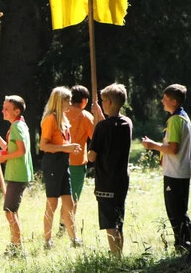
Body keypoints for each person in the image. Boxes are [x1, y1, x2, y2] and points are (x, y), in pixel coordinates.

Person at [141, 84, 191, 252]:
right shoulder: (182, 117)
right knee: (179, 211)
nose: (162, 101)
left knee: (175, 212)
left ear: (174, 101)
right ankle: (188, 243)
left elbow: (172, 148)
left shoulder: (175, 120)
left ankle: (183, 246)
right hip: (180, 171)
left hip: (175, 173)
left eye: (165, 98)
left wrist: (152, 145)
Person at [88, 83, 133, 258]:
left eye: (103, 101)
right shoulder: (127, 123)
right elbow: (110, 127)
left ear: (108, 102)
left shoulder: (102, 127)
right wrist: (99, 115)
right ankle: (119, 254)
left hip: (105, 180)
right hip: (121, 179)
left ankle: (115, 258)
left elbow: (92, 156)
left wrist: (89, 150)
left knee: (109, 222)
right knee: (118, 218)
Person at [0, 95, 33, 256]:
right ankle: (15, 245)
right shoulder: (19, 125)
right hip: (17, 174)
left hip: (18, 175)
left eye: (7, 109)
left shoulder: (16, 127)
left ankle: (16, 248)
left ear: (16, 111)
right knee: (12, 211)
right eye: (3, 107)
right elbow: (9, 146)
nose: (3, 111)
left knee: (9, 211)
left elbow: (21, 151)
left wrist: (4, 158)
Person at [39, 86, 82, 249]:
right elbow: (44, 146)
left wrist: (70, 147)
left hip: (64, 164)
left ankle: (74, 239)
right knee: (52, 203)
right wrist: (66, 148)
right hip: (52, 164)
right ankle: (47, 240)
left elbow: (63, 143)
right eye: (68, 101)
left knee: (69, 202)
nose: (70, 104)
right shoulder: (50, 118)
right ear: (59, 101)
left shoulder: (63, 119)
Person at [65, 85, 95, 244]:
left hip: (60, 160)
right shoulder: (85, 116)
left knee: (61, 195)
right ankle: (69, 226)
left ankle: (62, 225)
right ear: (84, 101)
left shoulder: (62, 112)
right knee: (73, 198)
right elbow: (95, 138)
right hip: (76, 163)